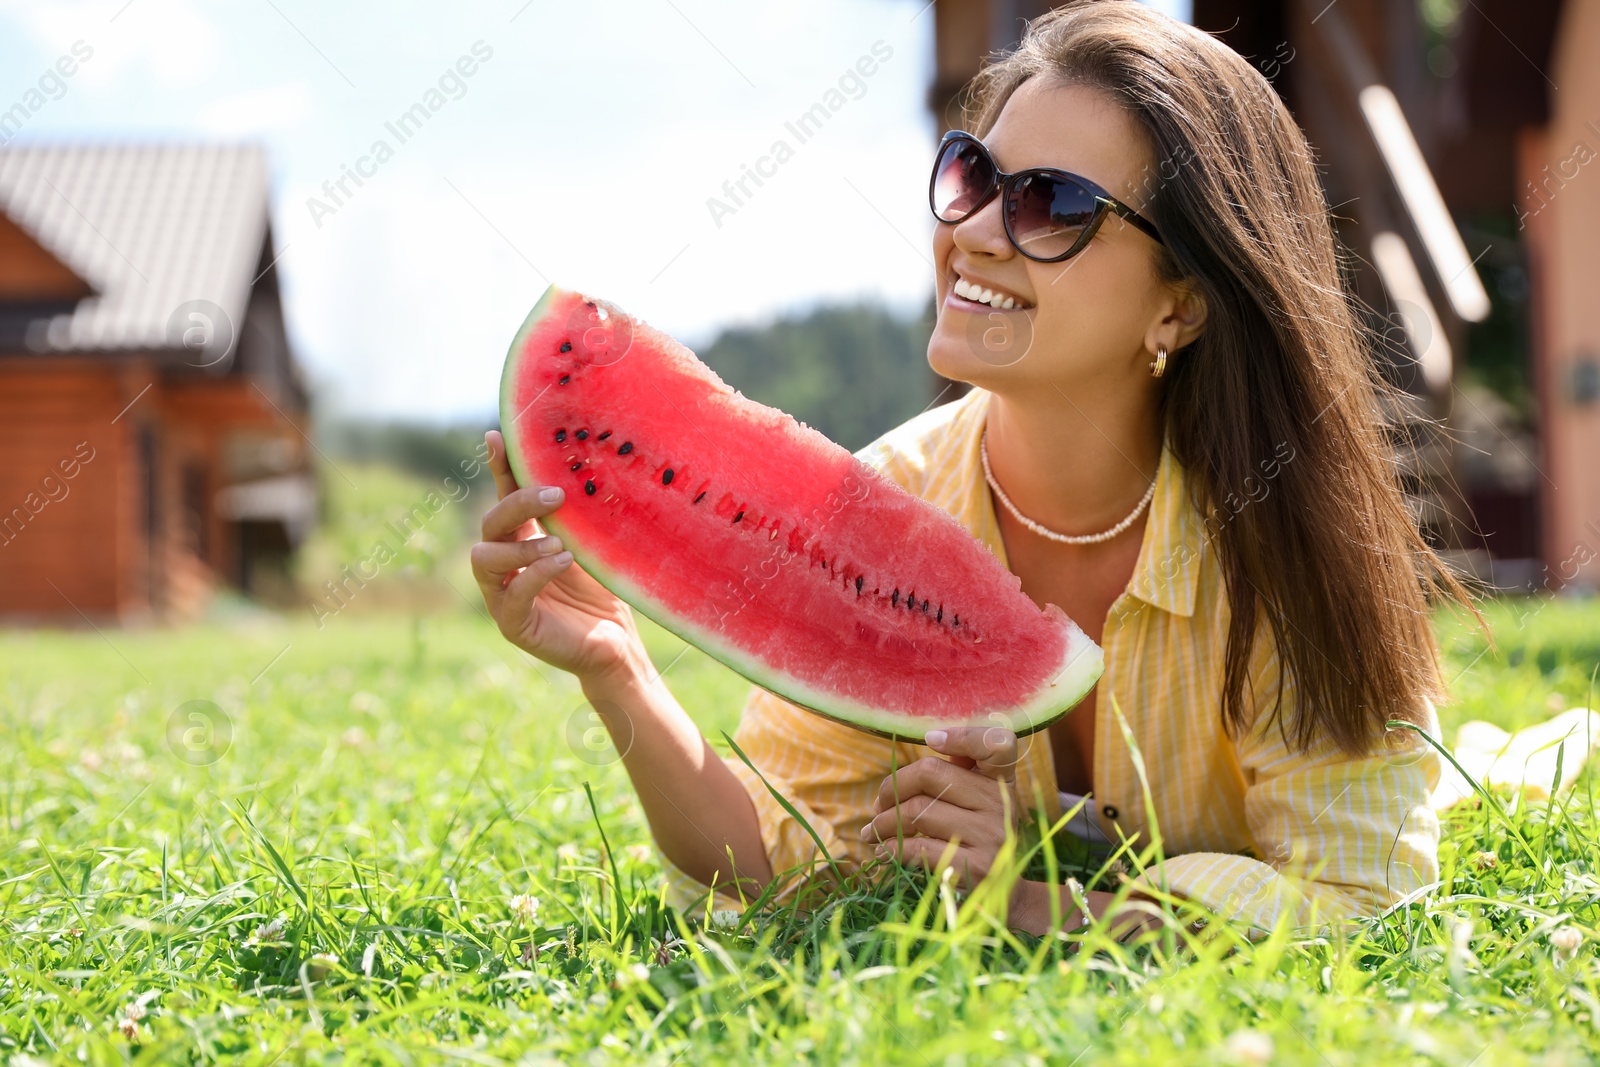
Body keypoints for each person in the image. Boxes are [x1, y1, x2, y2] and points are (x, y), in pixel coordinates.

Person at [471, 0, 1474, 939]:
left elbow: (1362, 897)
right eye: (972, 176)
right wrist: (619, 667)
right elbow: (774, 859)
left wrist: (1028, 902)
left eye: (1052, 205)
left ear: (1178, 304)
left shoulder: (1282, 536)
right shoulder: (875, 508)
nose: (973, 233)